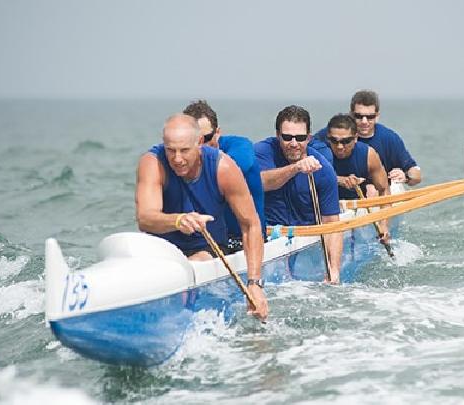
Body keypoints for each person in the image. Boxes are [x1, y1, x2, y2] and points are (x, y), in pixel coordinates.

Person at [135, 114, 268, 319]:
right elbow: (145, 218)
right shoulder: (152, 163)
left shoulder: (223, 168)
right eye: (171, 150)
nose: (177, 159)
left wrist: (254, 283)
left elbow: (250, 225)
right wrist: (178, 220)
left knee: (197, 259)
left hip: (207, 248)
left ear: (199, 143)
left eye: (184, 150)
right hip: (162, 250)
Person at [254, 105, 343, 282]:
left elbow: (332, 225)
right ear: (278, 135)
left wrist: (333, 269)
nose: (293, 143)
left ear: (309, 138)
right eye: (287, 137)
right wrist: (295, 168)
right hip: (270, 236)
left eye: (300, 138)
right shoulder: (263, 151)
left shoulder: (323, 170)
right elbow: (260, 182)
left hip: (304, 240)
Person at [182, 100, 266, 243]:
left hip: (244, 240)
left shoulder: (240, 145)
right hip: (205, 241)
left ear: (218, 133)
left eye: (206, 138)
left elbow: (240, 164)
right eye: (194, 140)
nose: (200, 146)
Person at [315, 90, 421, 187]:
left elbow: (416, 174)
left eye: (370, 117)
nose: (364, 121)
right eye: (359, 116)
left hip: (378, 196)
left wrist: (406, 177)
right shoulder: (331, 134)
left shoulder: (389, 138)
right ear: (351, 114)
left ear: (377, 116)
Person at [325, 113, 390, 244]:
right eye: (334, 141)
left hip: (355, 203)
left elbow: (384, 191)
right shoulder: (320, 153)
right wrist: (339, 180)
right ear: (328, 138)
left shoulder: (368, 155)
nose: (339, 146)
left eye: (345, 141)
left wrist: (383, 225)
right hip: (327, 208)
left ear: (355, 138)